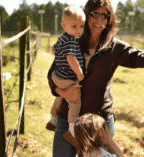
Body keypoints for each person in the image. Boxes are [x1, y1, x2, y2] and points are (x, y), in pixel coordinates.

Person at [47, 0, 144, 156]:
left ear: (109, 19)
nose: (99, 20)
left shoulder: (115, 48)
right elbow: (52, 74)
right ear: (86, 15)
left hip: (99, 121)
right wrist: (63, 93)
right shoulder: (70, 42)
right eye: (95, 14)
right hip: (68, 118)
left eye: (104, 16)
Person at [46, 5, 85, 144]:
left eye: (81, 26)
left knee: (62, 96)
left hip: (57, 75)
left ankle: (53, 119)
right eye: (74, 26)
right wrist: (80, 74)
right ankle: (72, 131)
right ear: (64, 25)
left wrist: (59, 57)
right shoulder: (71, 41)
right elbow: (71, 59)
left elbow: (53, 50)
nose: (78, 30)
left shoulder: (62, 37)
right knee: (75, 100)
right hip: (66, 78)